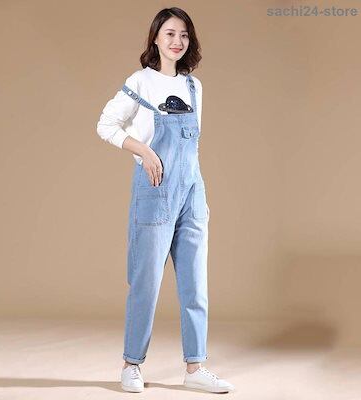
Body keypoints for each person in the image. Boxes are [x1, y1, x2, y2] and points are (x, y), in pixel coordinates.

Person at [97, 7, 236, 394]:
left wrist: (199, 192)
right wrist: (143, 151)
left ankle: (195, 367)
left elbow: (194, 146)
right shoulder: (140, 82)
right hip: (155, 191)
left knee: (195, 284)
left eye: (184, 35)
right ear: (156, 38)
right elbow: (105, 125)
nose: (178, 41)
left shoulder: (194, 87)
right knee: (146, 282)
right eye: (171, 33)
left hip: (192, 193)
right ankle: (131, 364)